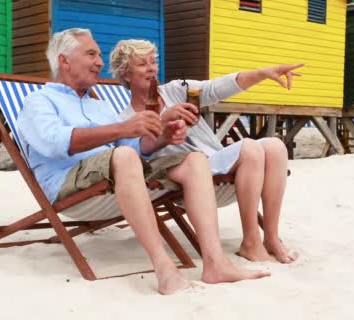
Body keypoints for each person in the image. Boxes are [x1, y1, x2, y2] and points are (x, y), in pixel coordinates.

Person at [16, 28, 269, 295]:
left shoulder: (100, 106)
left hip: (116, 171)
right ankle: (164, 268)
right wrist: (123, 129)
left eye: (100, 55)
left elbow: (132, 147)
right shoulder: (39, 101)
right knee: (123, 156)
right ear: (64, 60)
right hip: (70, 183)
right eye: (91, 54)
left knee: (194, 159)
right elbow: (55, 143)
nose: (100, 62)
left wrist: (163, 137)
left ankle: (216, 263)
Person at [109, 39, 301, 264]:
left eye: (153, 62)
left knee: (276, 147)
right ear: (126, 74)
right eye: (142, 64)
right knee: (249, 148)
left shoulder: (175, 90)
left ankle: (270, 237)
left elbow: (216, 87)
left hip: (213, 158)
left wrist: (262, 73)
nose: (151, 68)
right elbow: (138, 155)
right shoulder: (125, 119)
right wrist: (164, 121)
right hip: (186, 173)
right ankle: (250, 241)